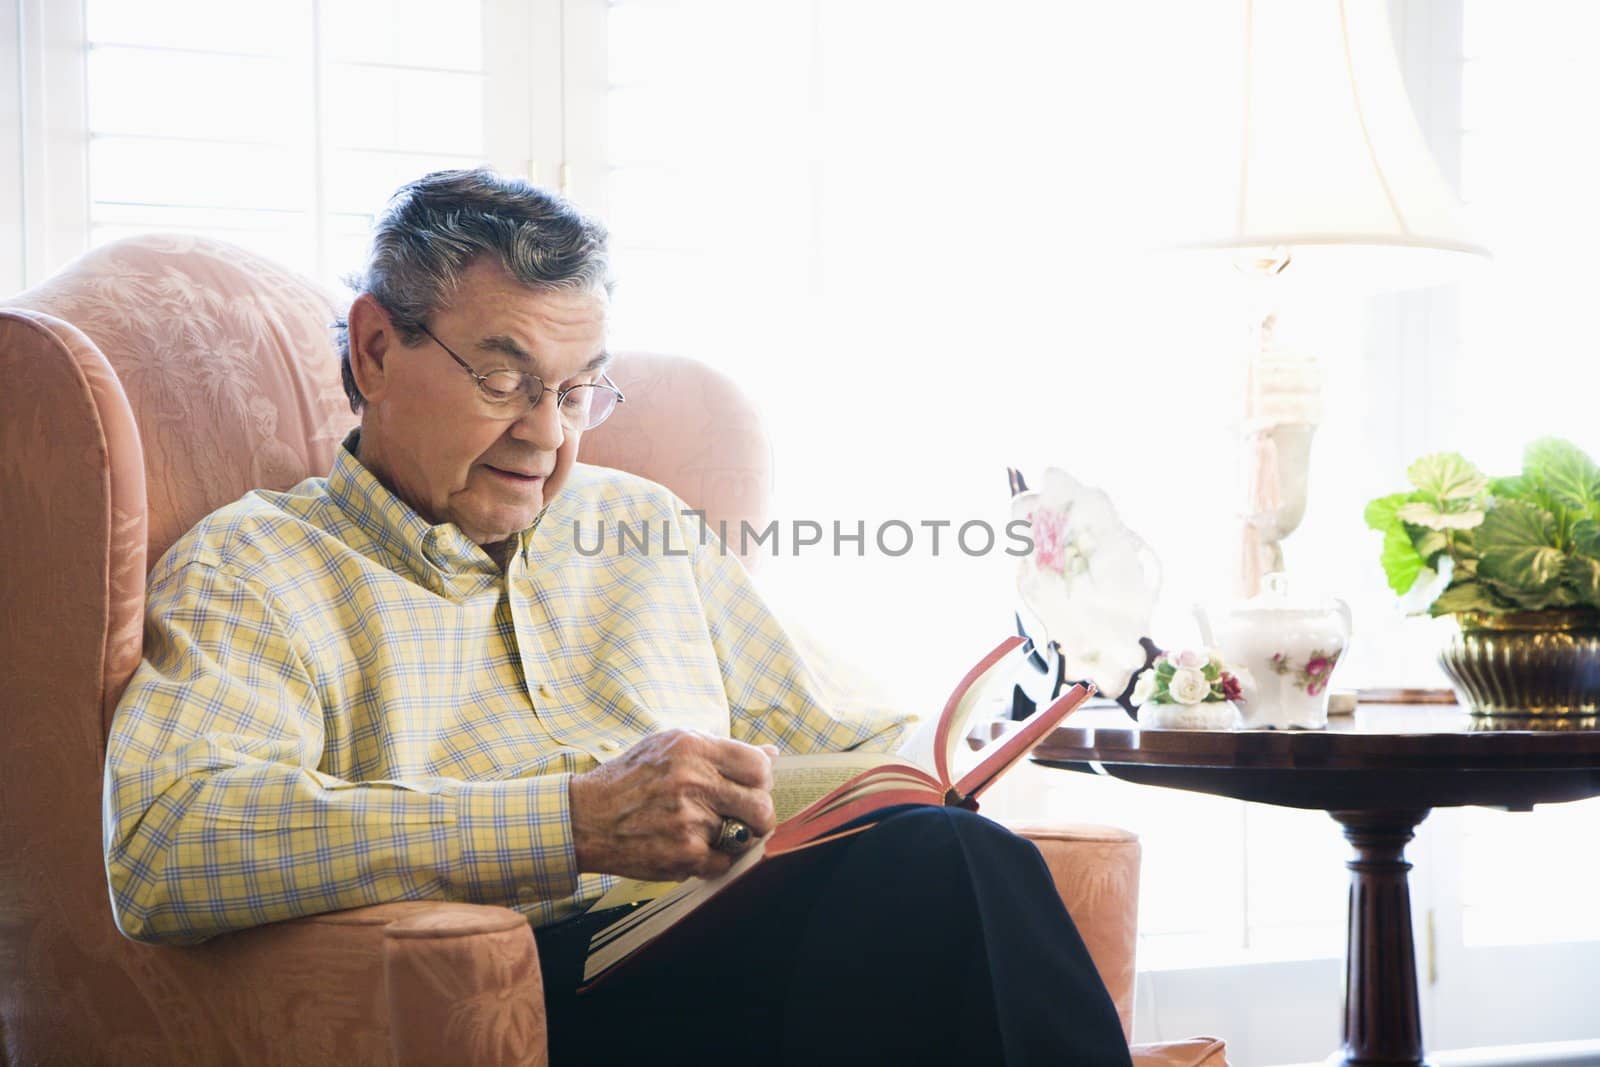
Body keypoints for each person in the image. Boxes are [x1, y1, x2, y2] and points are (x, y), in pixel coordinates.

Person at [103, 167, 1132, 1064]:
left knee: (949, 853)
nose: (545, 435)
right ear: (376, 349)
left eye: (579, 389)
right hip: (531, 988)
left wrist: (952, 759)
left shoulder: (639, 523)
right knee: (945, 879)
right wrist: (569, 820)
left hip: (727, 943)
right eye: (504, 377)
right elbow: (168, 841)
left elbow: (842, 735)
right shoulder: (259, 564)